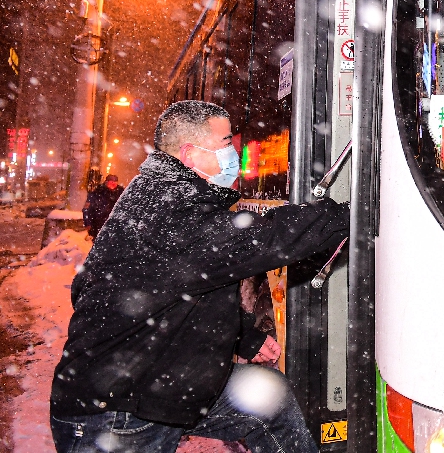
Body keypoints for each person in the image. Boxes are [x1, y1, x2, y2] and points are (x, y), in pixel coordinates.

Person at [50, 100, 349, 453]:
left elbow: (189, 290)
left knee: (269, 400)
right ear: (191, 154)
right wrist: (346, 211)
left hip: (159, 384)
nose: (234, 151)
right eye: (225, 143)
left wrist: (246, 339)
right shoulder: (171, 208)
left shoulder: (163, 193)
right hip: (116, 414)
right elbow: (268, 238)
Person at [82, 173, 124, 238]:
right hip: (97, 226)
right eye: (111, 182)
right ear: (106, 182)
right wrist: (87, 223)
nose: (113, 185)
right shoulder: (97, 193)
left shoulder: (121, 194)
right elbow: (86, 209)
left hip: (114, 227)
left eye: (114, 183)